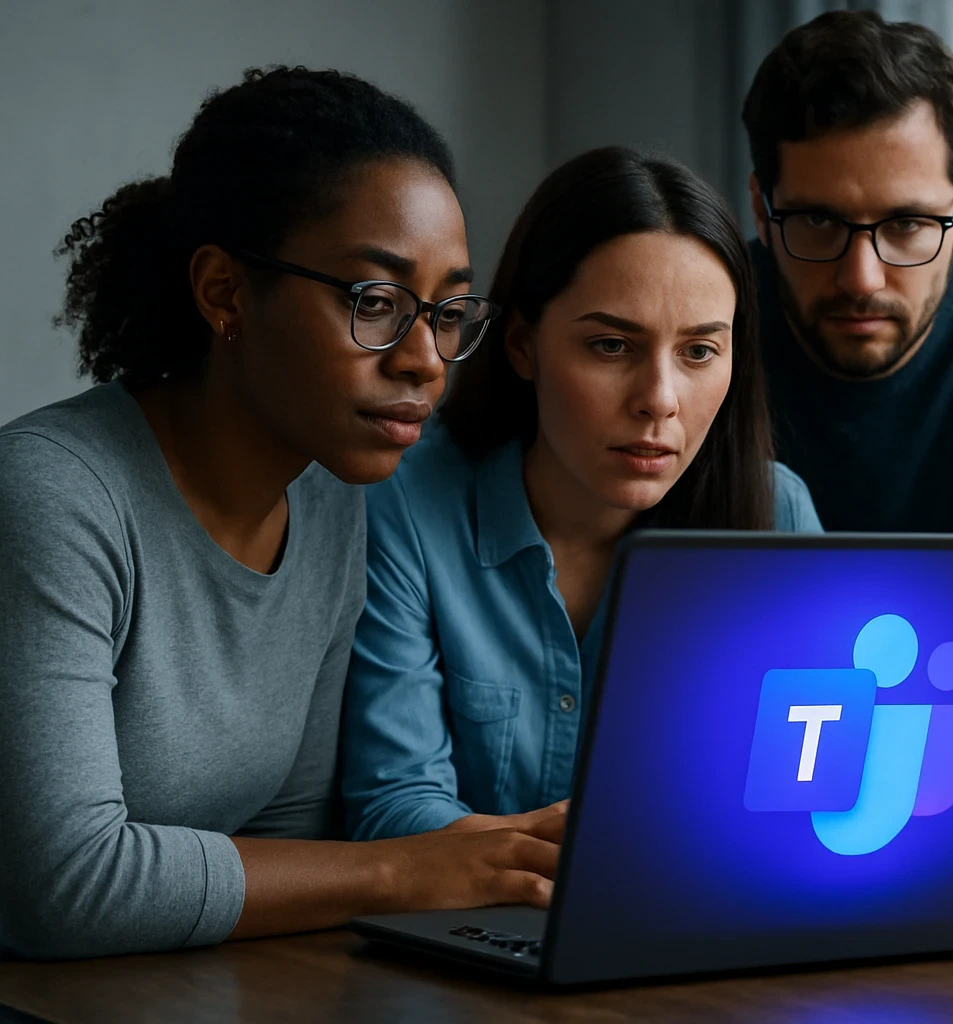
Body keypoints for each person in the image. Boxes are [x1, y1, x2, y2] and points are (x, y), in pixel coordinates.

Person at [0, 68, 571, 960]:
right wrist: (406, 870)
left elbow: (291, 836)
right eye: (375, 302)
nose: (426, 359)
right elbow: (68, 884)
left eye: (448, 311)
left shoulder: (333, 499)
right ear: (224, 292)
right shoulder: (52, 496)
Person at [342, 147, 821, 841]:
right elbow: (395, 808)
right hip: (476, 908)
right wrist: (604, 862)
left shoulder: (776, 515)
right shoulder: (408, 506)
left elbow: (803, 796)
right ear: (522, 345)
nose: (659, 400)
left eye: (698, 352)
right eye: (612, 346)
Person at [740, 9, 953, 533]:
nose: (861, 279)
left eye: (906, 224)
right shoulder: (703, 326)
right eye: (818, 221)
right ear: (762, 212)